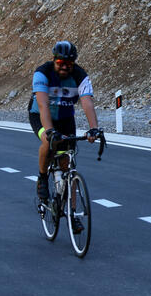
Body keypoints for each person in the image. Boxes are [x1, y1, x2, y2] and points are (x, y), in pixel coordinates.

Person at [29, 40, 101, 201]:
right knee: (49, 142)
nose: (64, 67)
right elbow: (43, 104)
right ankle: (42, 178)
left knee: (68, 165)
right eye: (61, 62)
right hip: (40, 116)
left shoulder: (79, 75)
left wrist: (94, 128)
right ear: (54, 60)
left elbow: (87, 102)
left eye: (69, 63)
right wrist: (49, 131)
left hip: (65, 118)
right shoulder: (43, 72)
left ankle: (72, 214)